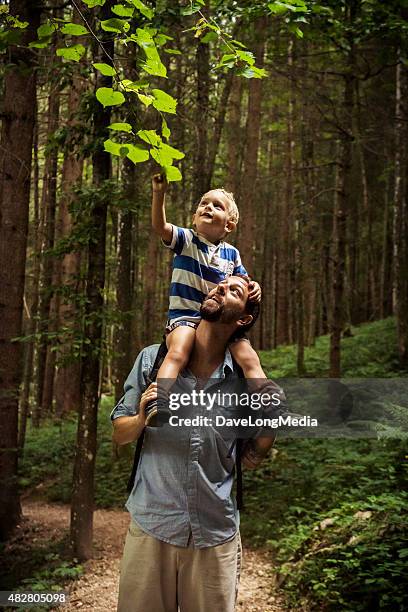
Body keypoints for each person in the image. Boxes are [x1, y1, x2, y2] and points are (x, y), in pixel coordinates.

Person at [112, 275, 281, 612]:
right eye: (220, 285)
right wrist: (142, 419)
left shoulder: (246, 383)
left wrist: (272, 421)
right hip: (152, 527)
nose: (220, 288)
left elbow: (253, 456)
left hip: (214, 536)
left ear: (244, 318)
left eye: (234, 290)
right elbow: (120, 434)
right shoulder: (153, 360)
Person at [146, 174, 267, 424]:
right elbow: (161, 227)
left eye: (217, 205)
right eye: (203, 203)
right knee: (179, 351)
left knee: (248, 357)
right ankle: (159, 402)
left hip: (217, 322)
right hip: (185, 319)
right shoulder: (187, 241)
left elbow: (243, 284)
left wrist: (255, 287)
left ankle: (268, 403)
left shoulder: (231, 254)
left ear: (229, 225)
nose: (208, 207)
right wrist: (159, 194)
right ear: (194, 217)